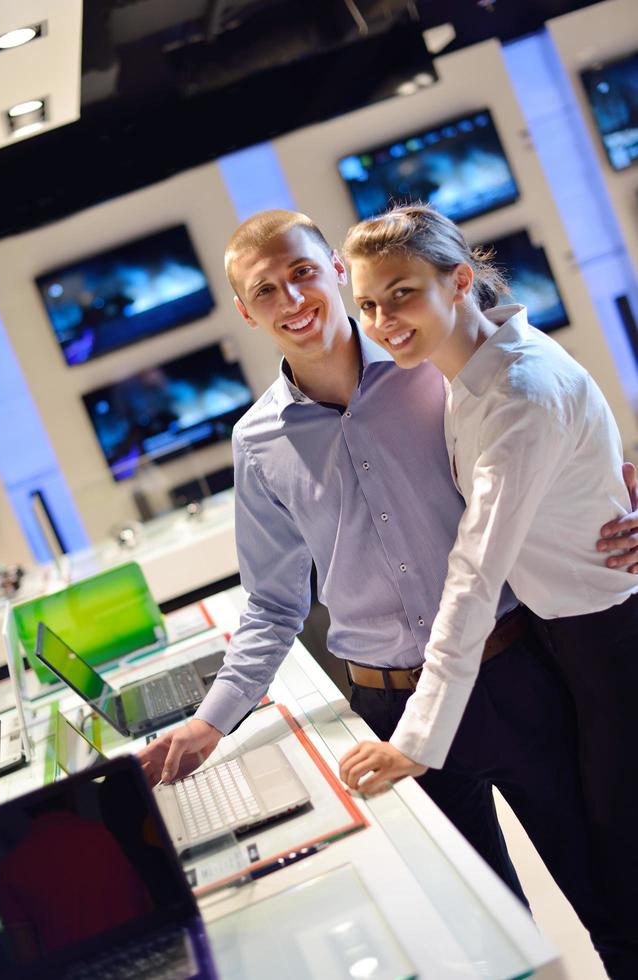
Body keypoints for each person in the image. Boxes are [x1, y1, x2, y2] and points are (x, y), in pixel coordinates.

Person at [137, 210, 638, 968]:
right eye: (266, 290)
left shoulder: (433, 364)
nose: (293, 298)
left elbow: (552, 427)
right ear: (246, 312)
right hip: (386, 703)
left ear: (335, 270)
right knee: (483, 945)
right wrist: (211, 722)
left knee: (611, 900)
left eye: (303, 272)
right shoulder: (257, 444)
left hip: (516, 676)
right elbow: (274, 605)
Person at [341, 203, 638, 977]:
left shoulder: (518, 394)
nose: (381, 319)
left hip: (615, 650)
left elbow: (473, 574)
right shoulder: (464, 374)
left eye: (400, 293)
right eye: (368, 304)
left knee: (624, 879)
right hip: (565, 643)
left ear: (460, 280)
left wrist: (414, 740)